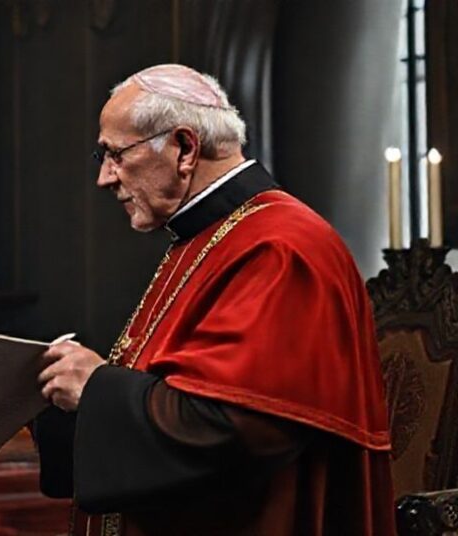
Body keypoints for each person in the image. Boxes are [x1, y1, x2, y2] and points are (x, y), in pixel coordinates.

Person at [33, 64, 394, 535]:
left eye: (116, 155)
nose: (105, 178)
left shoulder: (281, 246)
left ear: (184, 148)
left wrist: (95, 388)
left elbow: (242, 425)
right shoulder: (208, 237)